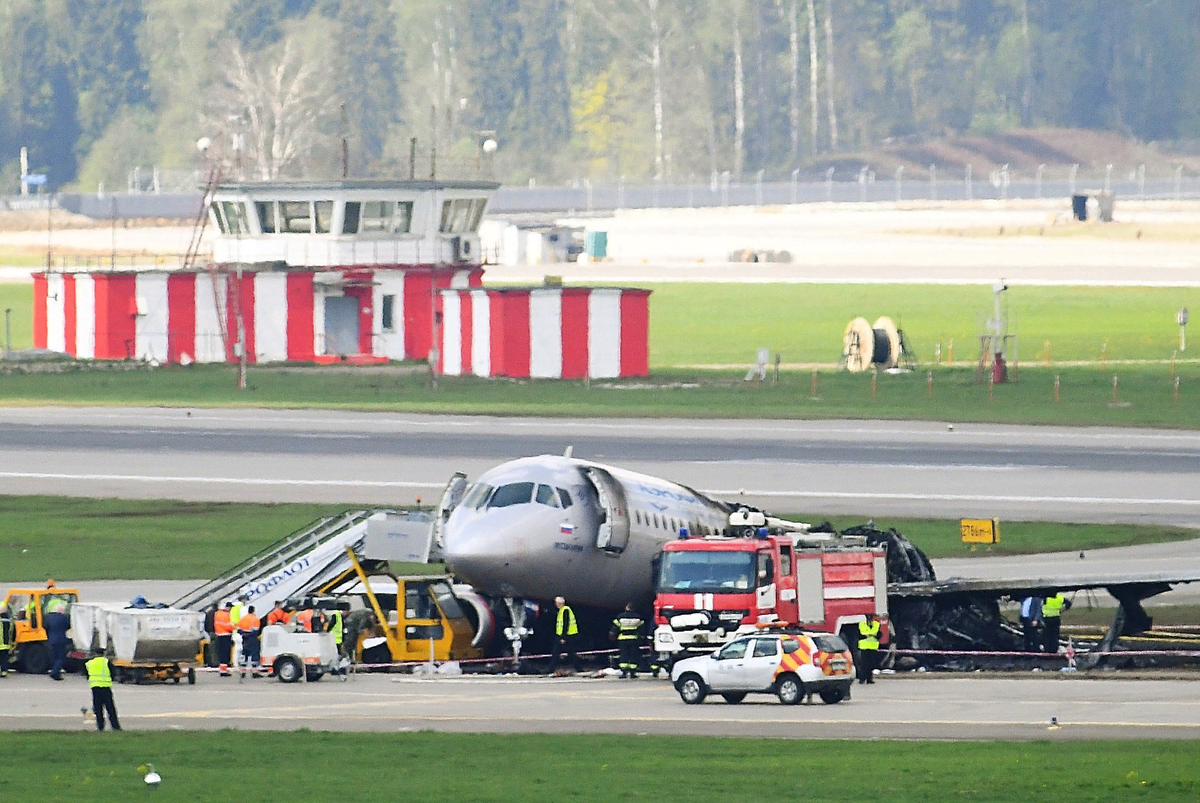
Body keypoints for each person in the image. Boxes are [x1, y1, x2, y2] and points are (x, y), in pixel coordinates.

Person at [85, 654, 121, 731]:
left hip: (95, 688)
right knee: (110, 708)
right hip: (106, 687)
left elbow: (87, 675)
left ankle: (100, 727)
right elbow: (113, 673)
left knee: (98, 708)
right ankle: (115, 726)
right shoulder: (106, 662)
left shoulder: (89, 663)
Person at [609, 603, 644, 678]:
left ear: (626, 608)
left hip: (623, 639)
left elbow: (615, 628)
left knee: (624, 655)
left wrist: (612, 636)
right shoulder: (638, 617)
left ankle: (624, 673)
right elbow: (641, 630)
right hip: (633, 639)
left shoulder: (620, 617)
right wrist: (642, 638)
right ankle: (632, 673)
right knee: (633, 655)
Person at [44, 594, 71, 681]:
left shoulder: (49, 618)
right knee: (61, 658)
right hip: (61, 640)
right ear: (62, 611)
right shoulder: (64, 618)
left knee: (54, 657)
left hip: (51, 640)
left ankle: (56, 673)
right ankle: (54, 672)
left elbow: (46, 627)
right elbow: (68, 626)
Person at [553, 596, 581, 675]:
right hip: (565, 636)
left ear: (560, 603)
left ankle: (551, 668)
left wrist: (563, 637)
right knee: (569, 652)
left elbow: (566, 624)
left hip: (568, 636)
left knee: (558, 652)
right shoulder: (562, 610)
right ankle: (578, 667)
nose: (555, 604)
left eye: (556, 603)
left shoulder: (565, 610)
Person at [238, 605, 262, 678]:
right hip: (252, 639)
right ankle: (254, 672)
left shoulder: (242, 619)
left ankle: (243, 671)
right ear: (254, 611)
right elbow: (256, 631)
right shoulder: (255, 619)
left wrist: (244, 634)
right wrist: (249, 635)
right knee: (254, 654)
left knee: (244, 654)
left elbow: (239, 630)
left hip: (244, 639)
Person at [857, 613, 881, 685]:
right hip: (864, 647)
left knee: (871, 664)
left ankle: (869, 679)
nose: (870, 619)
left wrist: (870, 635)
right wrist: (871, 634)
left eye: (871, 617)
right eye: (868, 617)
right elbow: (860, 634)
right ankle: (862, 679)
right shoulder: (862, 624)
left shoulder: (876, 624)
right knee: (864, 664)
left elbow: (879, 634)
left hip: (873, 647)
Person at [214, 602, 235, 676]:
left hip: (219, 634)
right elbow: (228, 626)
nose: (230, 609)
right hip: (226, 634)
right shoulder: (226, 615)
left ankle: (222, 670)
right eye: (230, 607)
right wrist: (234, 627)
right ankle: (223, 671)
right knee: (225, 653)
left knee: (222, 652)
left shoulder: (217, 614)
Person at [0, 607, 14, 677]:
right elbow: (11, 631)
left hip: (0, 643)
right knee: (4, 658)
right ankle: (3, 671)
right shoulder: (9, 620)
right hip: (7, 643)